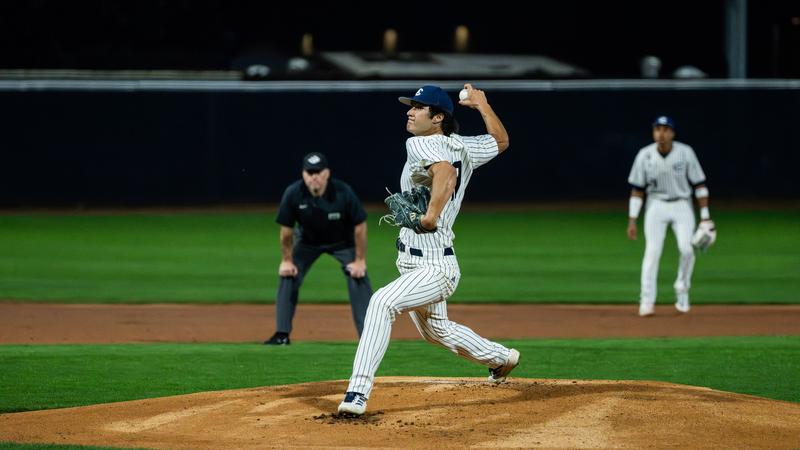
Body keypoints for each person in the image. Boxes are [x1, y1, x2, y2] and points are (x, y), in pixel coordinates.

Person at [337, 84, 519, 416]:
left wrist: (431, 215)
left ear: (437, 118)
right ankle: (500, 358)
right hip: (416, 261)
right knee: (437, 331)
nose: (410, 111)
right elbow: (501, 141)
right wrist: (482, 105)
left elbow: (446, 172)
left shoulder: (421, 142)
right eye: (411, 106)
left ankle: (357, 392)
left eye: (419, 108)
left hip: (435, 266)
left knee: (381, 302)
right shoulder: (462, 145)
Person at [264, 152, 373, 345]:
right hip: (307, 243)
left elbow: (360, 225)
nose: (314, 176)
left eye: (318, 171)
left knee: (358, 275)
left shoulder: (343, 192)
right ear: (303, 174)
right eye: (309, 172)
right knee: (288, 274)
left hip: (342, 242)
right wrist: (286, 260)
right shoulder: (293, 193)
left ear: (327, 173)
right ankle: (282, 334)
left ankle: (369, 336)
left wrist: (360, 260)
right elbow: (286, 232)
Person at [626, 116, 714, 317]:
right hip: (656, 205)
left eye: (666, 129)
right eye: (658, 129)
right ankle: (647, 301)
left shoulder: (685, 153)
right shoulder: (644, 155)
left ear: (673, 133)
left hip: (682, 204)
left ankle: (682, 289)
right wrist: (632, 219)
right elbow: (637, 189)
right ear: (653, 132)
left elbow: (699, 185)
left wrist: (705, 216)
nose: (661, 134)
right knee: (652, 252)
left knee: (687, 250)